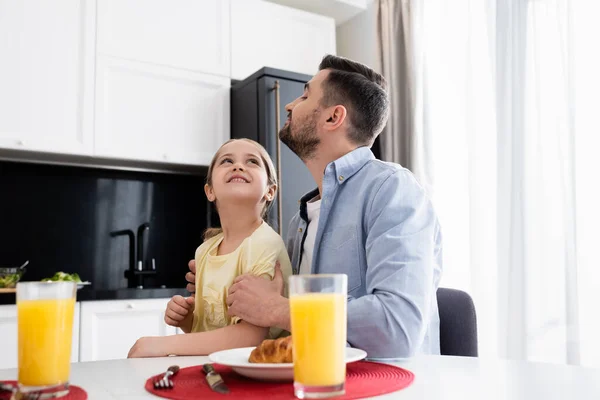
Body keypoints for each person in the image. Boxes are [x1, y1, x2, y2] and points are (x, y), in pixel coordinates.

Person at [182, 55, 443, 359]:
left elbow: (398, 328)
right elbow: (280, 325)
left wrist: (278, 308)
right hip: (312, 381)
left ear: (333, 118)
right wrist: (219, 284)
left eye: (305, 95)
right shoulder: (299, 222)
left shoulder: (392, 189)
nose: (289, 105)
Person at [127, 138, 293, 358]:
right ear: (210, 191)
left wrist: (163, 345)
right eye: (227, 161)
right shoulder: (205, 250)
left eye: (252, 161)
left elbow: (249, 337)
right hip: (216, 367)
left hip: (258, 374)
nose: (238, 166)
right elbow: (209, 330)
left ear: (270, 191)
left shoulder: (264, 244)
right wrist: (188, 320)